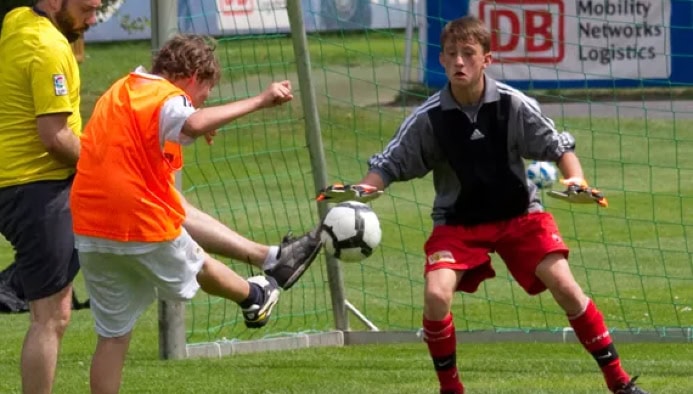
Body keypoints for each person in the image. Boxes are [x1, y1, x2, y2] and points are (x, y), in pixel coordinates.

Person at [317, 16, 647, 394]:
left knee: (566, 287)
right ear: (441, 60)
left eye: (469, 54)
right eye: (452, 54)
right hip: (458, 223)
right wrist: (362, 190)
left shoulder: (513, 104)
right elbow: (388, 164)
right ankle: (451, 389)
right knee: (436, 295)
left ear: (486, 59)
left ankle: (619, 383)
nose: (460, 61)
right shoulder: (428, 118)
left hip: (520, 216)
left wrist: (576, 180)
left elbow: (559, 147)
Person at [69, 34, 321, 394]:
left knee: (113, 337)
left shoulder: (122, 91)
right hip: (135, 222)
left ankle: (269, 259)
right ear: (192, 76)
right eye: (205, 92)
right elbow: (192, 122)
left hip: (90, 230)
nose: (203, 102)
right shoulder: (166, 97)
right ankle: (255, 295)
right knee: (197, 263)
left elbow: (177, 203)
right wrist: (261, 101)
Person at [0, 1, 101, 393]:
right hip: (37, 187)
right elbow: (56, 137)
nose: (92, 20)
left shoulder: (15, 23)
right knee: (51, 316)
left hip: (15, 182)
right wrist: (102, 164)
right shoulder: (50, 49)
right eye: (87, 9)